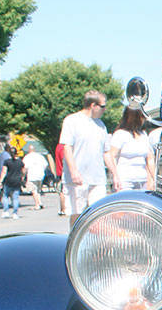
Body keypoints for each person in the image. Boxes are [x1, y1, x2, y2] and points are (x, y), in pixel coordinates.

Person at [59, 91, 110, 224]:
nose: (105, 110)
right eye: (103, 106)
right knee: (77, 215)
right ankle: (74, 242)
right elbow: (67, 147)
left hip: (97, 179)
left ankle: (96, 244)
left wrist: (115, 174)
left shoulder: (101, 125)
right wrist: (74, 171)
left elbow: (106, 152)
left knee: (99, 215)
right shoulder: (72, 121)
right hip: (77, 179)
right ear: (93, 105)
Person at [106, 107, 156, 192]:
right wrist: (115, 176)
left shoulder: (143, 134)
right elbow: (112, 156)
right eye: (142, 116)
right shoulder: (120, 134)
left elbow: (150, 158)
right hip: (124, 180)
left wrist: (153, 178)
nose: (144, 120)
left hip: (142, 179)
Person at [0, 149, 25, 219]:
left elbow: (4, 172)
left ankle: (6, 211)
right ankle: (15, 213)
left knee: (6, 196)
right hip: (17, 181)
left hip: (8, 181)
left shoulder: (7, 162)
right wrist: (22, 179)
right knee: (15, 197)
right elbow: (23, 172)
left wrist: (0, 181)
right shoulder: (20, 162)